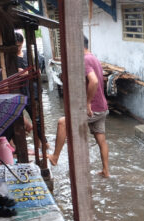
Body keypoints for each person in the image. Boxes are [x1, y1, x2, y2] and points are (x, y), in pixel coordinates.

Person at [47, 35, 110, 178]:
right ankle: (106, 171)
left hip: (92, 108)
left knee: (62, 123)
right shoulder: (93, 58)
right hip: (102, 107)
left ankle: (55, 157)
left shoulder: (85, 59)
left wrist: (87, 102)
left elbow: (93, 81)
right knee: (101, 139)